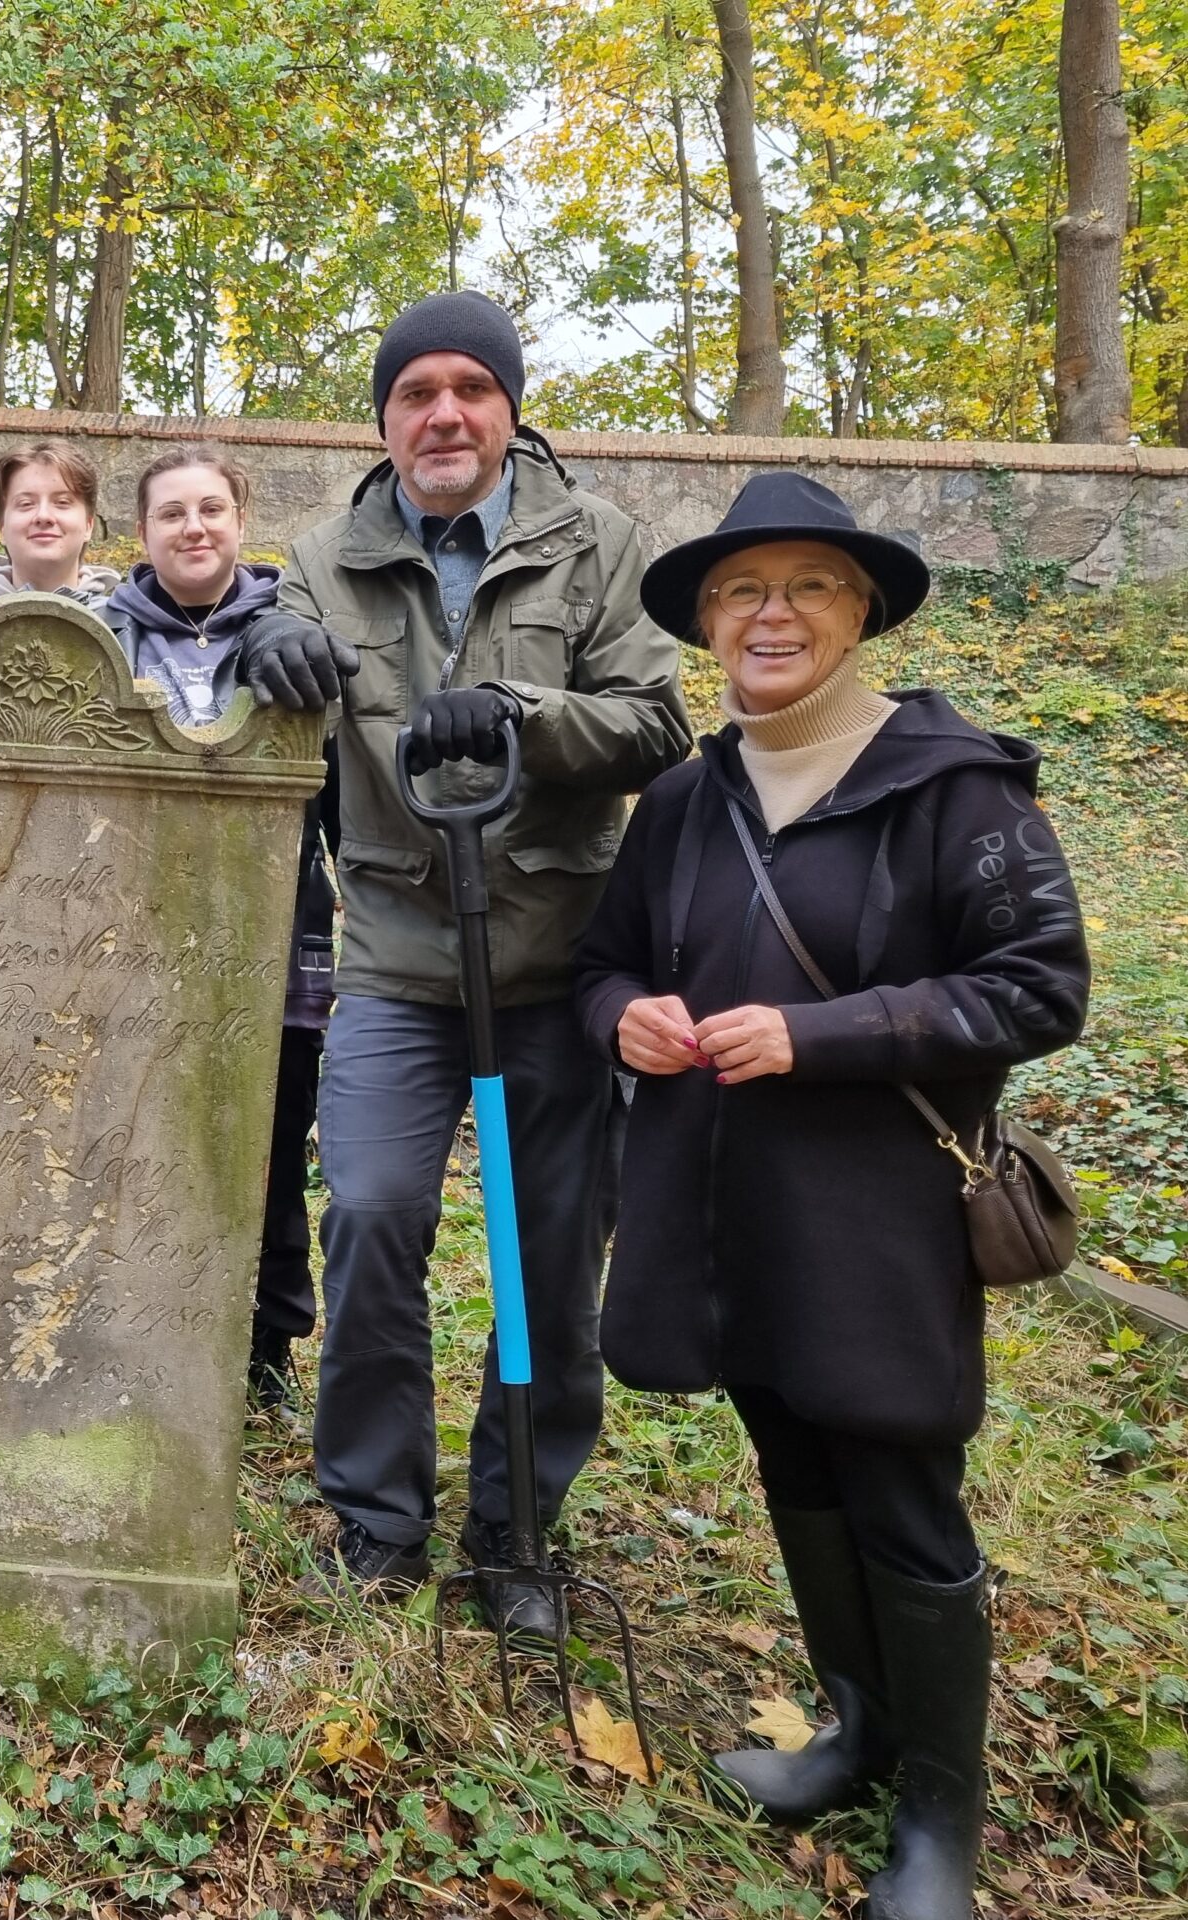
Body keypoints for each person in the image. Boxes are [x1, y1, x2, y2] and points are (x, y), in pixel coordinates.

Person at [575, 473, 1088, 1920]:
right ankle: (859, 1733)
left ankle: (943, 1815)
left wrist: (821, 1032)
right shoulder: (684, 799)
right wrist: (623, 1019)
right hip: (722, 1216)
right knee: (793, 1462)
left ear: (862, 610)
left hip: (879, 1225)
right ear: (709, 624)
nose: (772, 614)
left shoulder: (955, 786)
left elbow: (1039, 987)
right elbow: (606, 962)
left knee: (899, 1487)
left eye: (806, 585)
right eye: (744, 590)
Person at [267, 290, 692, 1633]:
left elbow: (656, 722)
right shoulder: (321, 556)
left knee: (539, 1251)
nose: (443, 413)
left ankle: (514, 1532)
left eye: (470, 388)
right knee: (379, 1217)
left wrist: (519, 711)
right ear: (385, 420)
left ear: (509, 408)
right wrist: (259, 650)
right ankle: (378, 1518)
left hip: (559, 971)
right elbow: (255, 699)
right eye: (414, 394)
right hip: (396, 962)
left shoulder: (598, 546)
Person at [101, 445, 342, 1410]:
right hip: (122, 941)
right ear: (143, 532)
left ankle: (265, 1346)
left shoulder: (299, 637)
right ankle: (132, 1317)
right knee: (127, 1136)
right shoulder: (100, 637)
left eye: (211, 509)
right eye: (171, 514)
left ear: (240, 521)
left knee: (270, 1147)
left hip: (274, 937)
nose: (193, 528)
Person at [0, 438, 121, 616]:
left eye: (62, 502)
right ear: (2, 528)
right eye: (26, 503)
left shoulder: (125, 630)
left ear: (89, 526)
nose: (43, 516)